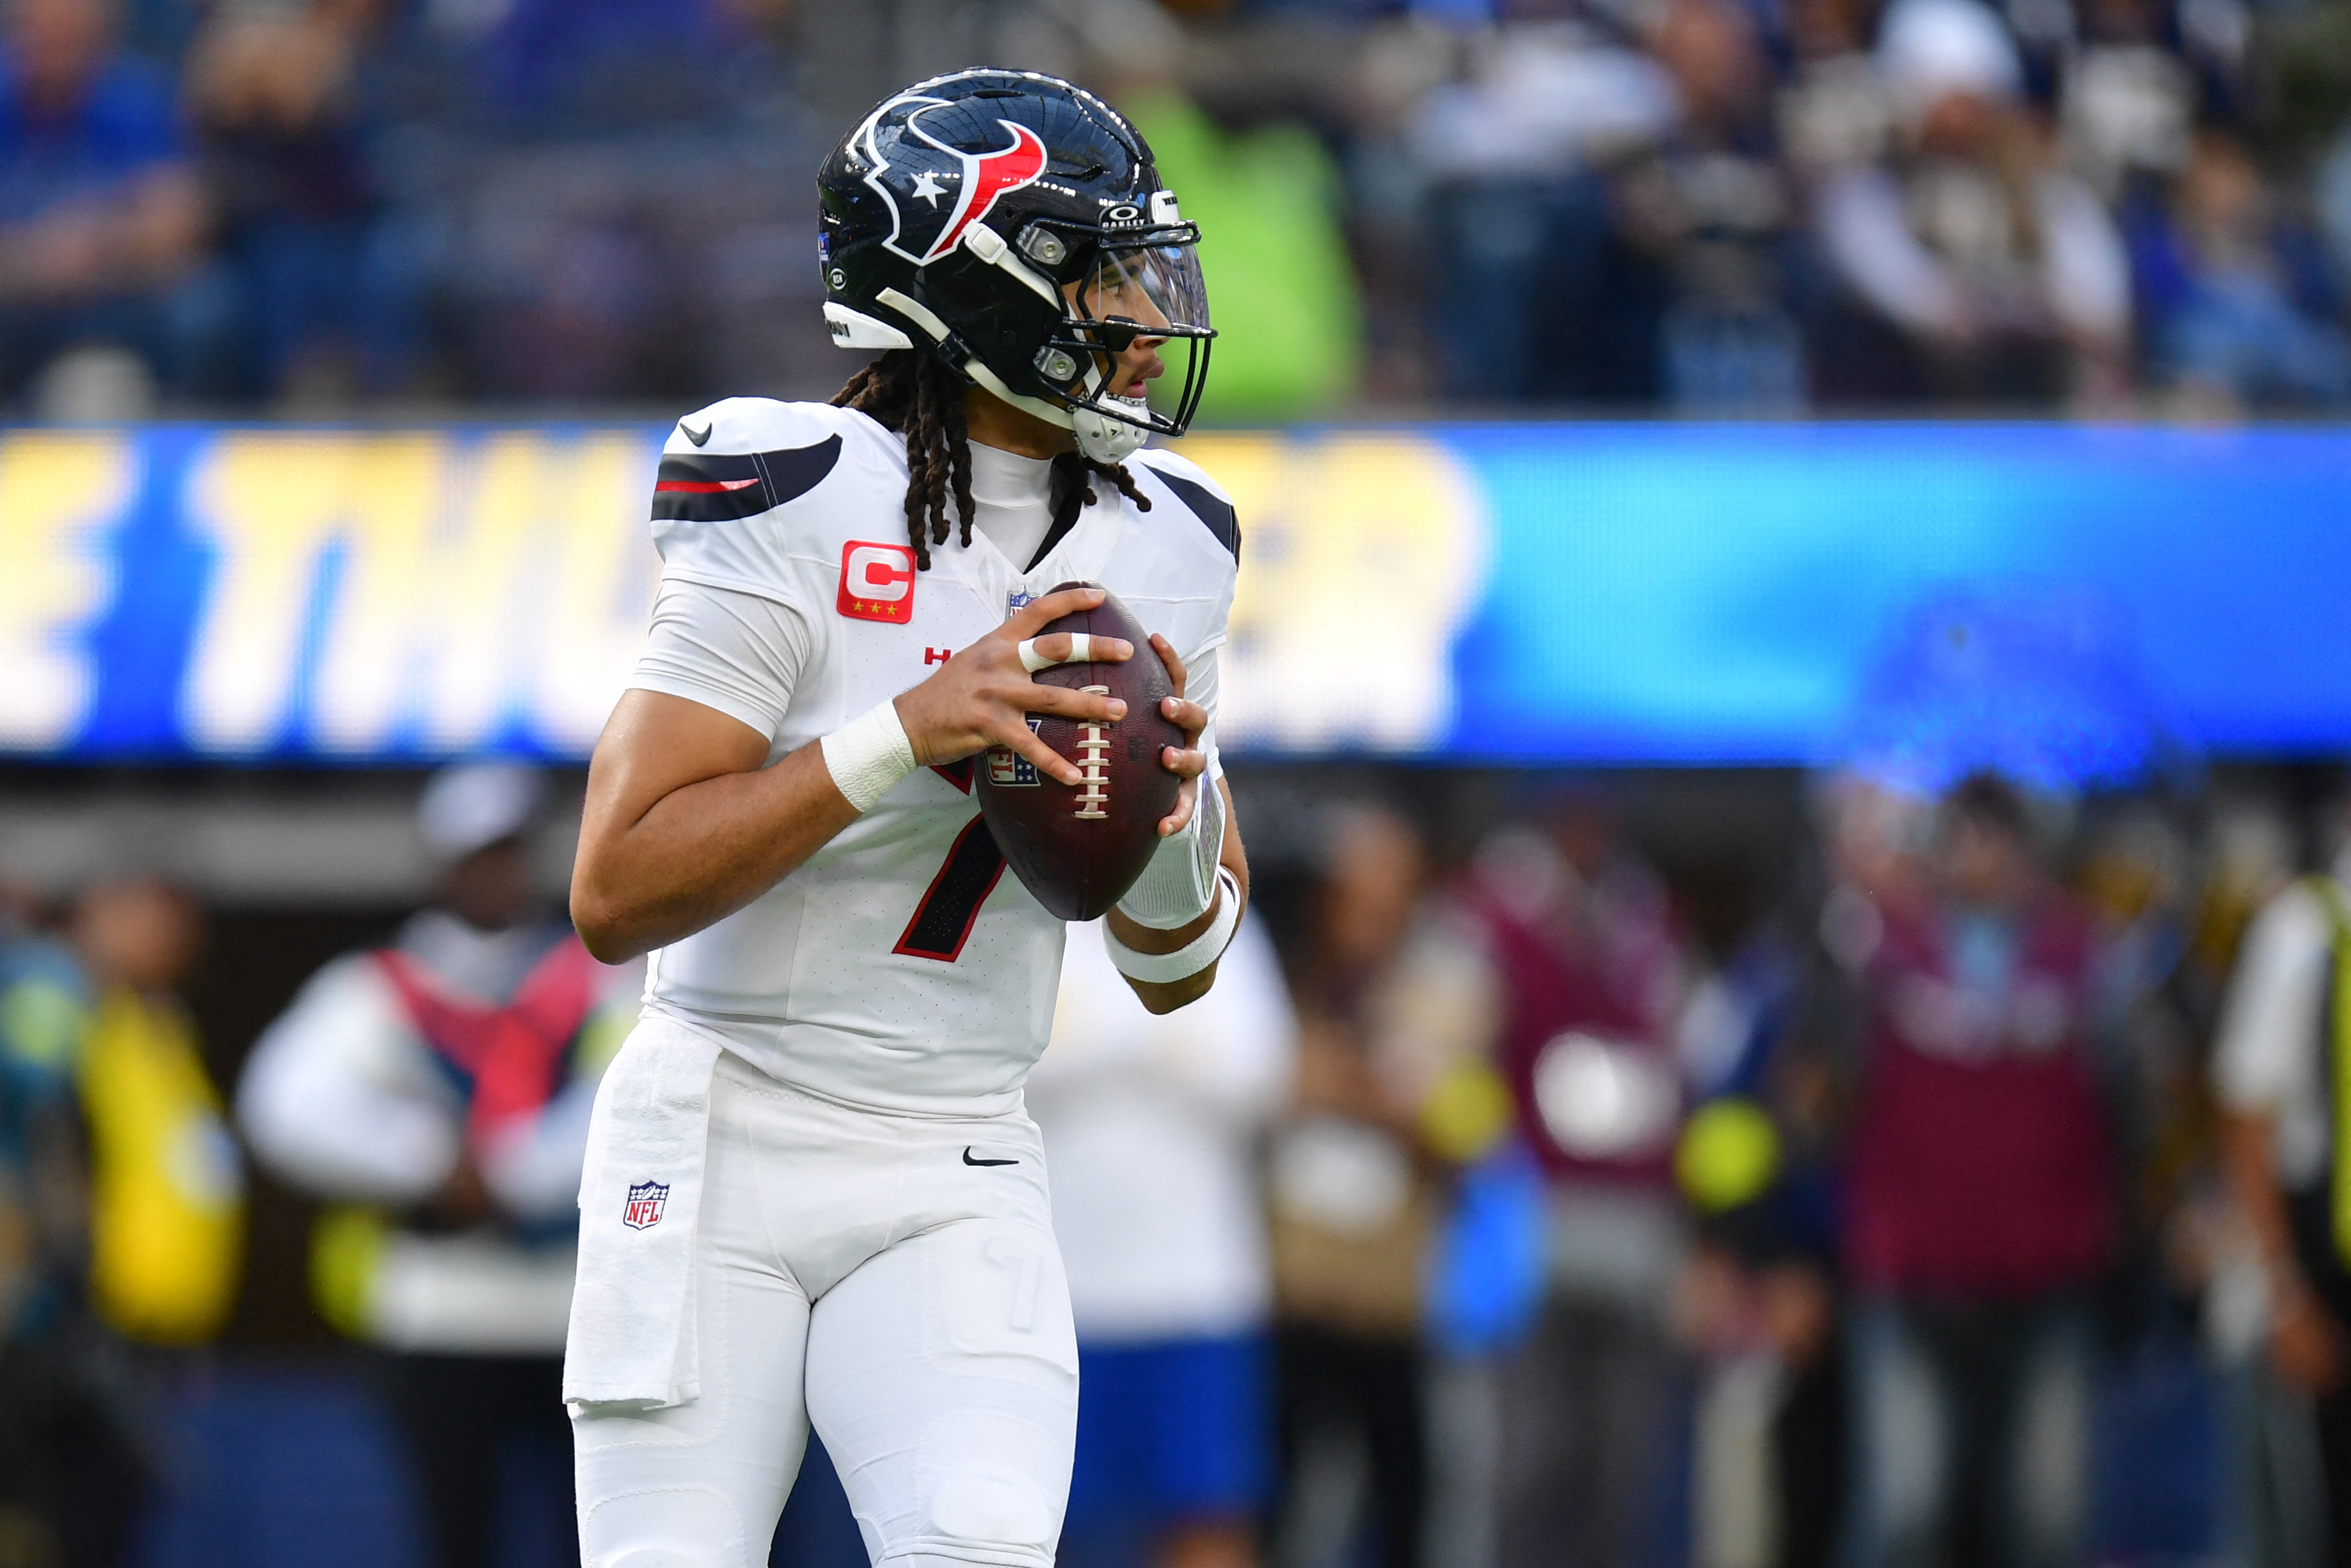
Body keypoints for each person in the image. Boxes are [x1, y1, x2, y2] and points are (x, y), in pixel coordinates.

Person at [559, 68, 1243, 1568]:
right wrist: (901, 733)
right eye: (1097, 268)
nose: (1145, 310)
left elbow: (1175, 964)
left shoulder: (1172, 539)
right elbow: (613, 888)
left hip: (954, 1142)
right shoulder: (793, 490)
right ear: (968, 279)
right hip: (726, 1114)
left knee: (978, 1543)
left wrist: (1173, 814)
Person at [238, 761, 641, 1568]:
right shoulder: (382, 986)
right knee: (455, 1539)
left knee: (597, 1542)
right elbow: (280, 1104)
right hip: (435, 1311)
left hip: (572, 1312)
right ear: (442, 865)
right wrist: (423, 1160)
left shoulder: (595, 975)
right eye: (480, 855)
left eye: (511, 853)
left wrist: (514, 1173)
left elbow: (632, 1092)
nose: (499, 873)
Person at [1836, 772, 2111, 1568]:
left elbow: (2119, 1110)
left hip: (2046, 1270)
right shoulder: (1870, 947)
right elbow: (1820, 1095)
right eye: (1963, 837)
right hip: (1908, 1270)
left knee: (2047, 1517)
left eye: (1997, 837)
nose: (1980, 859)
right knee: (1905, 1510)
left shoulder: (2081, 953)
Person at [1028, 911, 1294, 1568]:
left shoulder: (1214, 915)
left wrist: (1093, 1034)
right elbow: (997, 1069)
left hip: (1199, 1297)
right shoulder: (1021, 915)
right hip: (1055, 1300)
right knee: (1035, 1521)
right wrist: (1158, 1027)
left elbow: (1263, 1076)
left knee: (1209, 1515)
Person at [2212, 793, 2351, 1566]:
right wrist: (2284, 1293)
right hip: (2325, 1272)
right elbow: (2245, 1122)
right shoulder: (2302, 929)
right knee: (2320, 1523)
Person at [0, 0, 208, 401]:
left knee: (202, 311)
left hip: (122, 293)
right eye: (42, 31)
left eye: (72, 33)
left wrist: (103, 243)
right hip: (17, 294)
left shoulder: (139, 96)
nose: (57, 45)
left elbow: (180, 219)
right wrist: (34, 256)